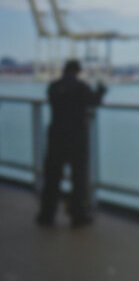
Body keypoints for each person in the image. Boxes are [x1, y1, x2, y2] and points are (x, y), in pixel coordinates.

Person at [36, 59, 107, 228]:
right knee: (78, 177)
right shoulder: (81, 87)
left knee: (52, 177)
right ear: (77, 71)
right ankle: (78, 215)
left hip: (56, 137)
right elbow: (94, 101)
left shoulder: (53, 87)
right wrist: (101, 91)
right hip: (76, 138)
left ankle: (46, 215)